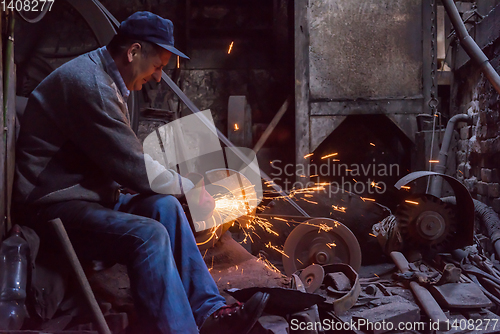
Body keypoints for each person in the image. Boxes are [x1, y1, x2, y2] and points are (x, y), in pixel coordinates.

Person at [13, 11, 268, 334]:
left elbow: (124, 165)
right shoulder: (90, 85)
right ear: (133, 52)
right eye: (157, 67)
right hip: (52, 207)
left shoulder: (105, 78)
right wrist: (190, 187)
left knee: (166, 207)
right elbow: (134, 166)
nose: (159, 77)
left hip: (88, 197)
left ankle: (209, 314)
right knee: (149, 235)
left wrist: (177, 192)